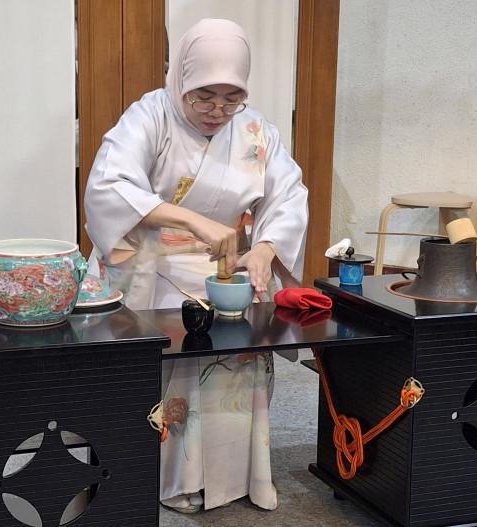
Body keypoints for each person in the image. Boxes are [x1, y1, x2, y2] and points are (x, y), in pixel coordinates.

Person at [84, 18, 309, 513]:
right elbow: (108, 184)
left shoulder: (256, 130)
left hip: (221, 268)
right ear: (181, 78)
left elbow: (288, 194)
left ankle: (235, 478)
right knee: (176, 346)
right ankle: (161, 478)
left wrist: (267, 247)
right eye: (203, 96)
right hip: (145, 262)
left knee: (238, 351)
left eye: (232, 98)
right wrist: (195, 221)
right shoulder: (150, 115)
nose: (217, 111)